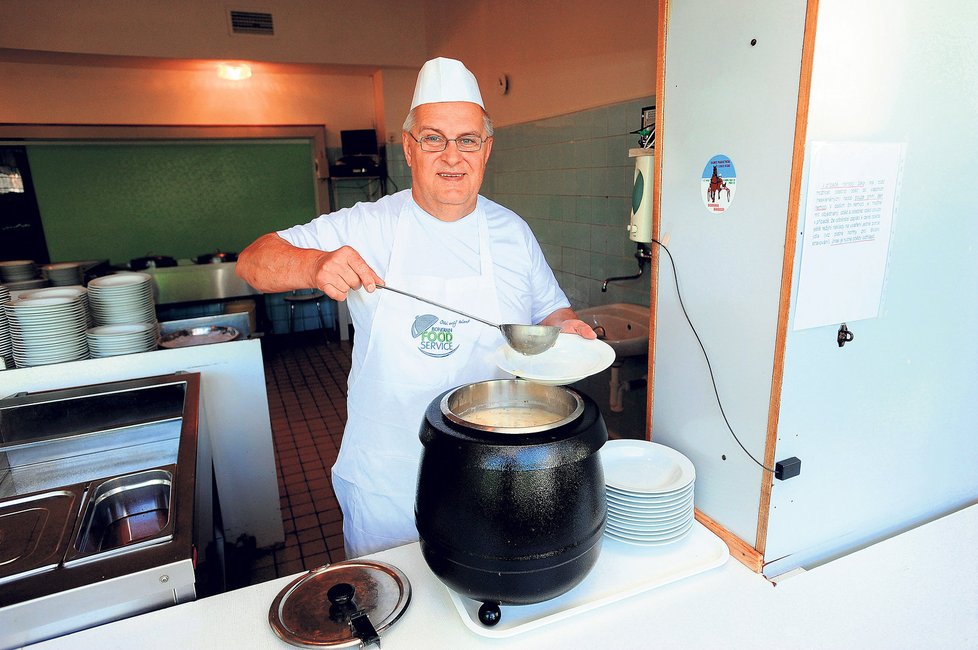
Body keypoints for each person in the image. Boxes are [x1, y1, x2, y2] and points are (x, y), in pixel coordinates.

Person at [236, 57, 595, 558]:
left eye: (468, 139)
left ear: (486, 149)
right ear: (409, 147)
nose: (453, 155)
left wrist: (568, 329)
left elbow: (550, 315)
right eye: (433, 138)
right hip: (389, 478)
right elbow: (254, 261)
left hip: (493, 475)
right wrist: (315, 264)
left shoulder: (512, 231)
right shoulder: (367, 225)